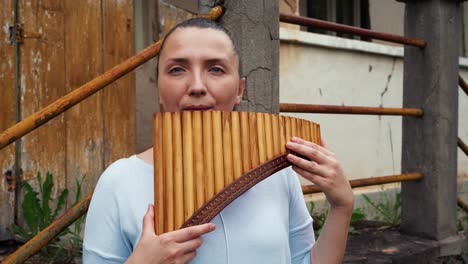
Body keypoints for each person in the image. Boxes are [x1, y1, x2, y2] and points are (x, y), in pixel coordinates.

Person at [83, 18, 354, 264]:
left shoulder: (275, 172)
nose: (197, 86)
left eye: (215, 69)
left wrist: (341, 207)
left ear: (239, 90)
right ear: (159, 89)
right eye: (177, 69)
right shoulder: (118, 181)